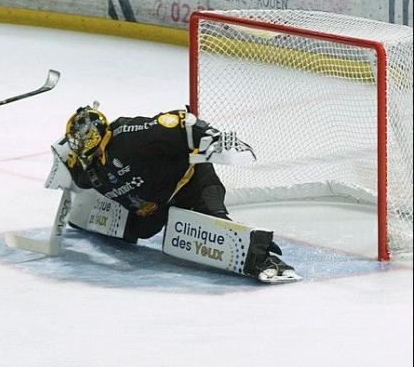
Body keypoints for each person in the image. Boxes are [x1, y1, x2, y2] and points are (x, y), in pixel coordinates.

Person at [58, 103, 298, 282]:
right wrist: (61, 158)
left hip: (192, 184)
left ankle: (262, 257)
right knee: (137, 230)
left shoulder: (129, 136)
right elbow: (80, 177)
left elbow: (176, 123)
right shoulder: (93, 168)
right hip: (156, 206)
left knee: (216, 225)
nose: (79, 146)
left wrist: (210, 137)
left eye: (81, 140)